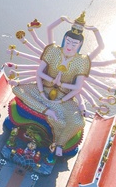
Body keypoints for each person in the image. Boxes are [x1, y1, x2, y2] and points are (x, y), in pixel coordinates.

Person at [11, 13, 103, 152]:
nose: (70, 46)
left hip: (63, 100)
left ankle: (59, 144)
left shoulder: (82, 61)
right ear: (64, 39)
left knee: (78, 122)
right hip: (42, 91)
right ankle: (47, 111)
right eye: (68, 41)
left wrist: (95, 30)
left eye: (74, 43)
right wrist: (62, 19)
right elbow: (39, 73)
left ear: (80, 45)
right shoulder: (53, 50)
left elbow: (77, 87)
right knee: (17, 90)